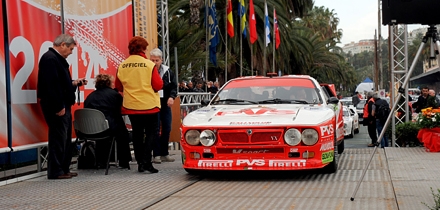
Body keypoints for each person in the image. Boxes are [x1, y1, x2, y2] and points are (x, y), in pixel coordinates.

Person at [37, 34, 87, 179]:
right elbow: (52, 86)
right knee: (58, 138)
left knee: (64, 138)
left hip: (62, 102)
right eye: (70, 49)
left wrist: (74, 83)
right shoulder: (50, 59)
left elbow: (60, 83)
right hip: (57, 105)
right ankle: (56, 171)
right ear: (63, 45)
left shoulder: (55, 59)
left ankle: (63, 168)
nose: (71, 52)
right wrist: (58, 106)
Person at [115, 36, 162, 173]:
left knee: (137, 134)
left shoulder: (122, 65)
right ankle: (147, 162)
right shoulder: (149, 65)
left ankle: (141, 162)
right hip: (150, 105)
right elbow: (158, 85)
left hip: (131, 106)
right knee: (152, 133)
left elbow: (118, 86)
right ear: (143, 49)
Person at [84, 74, 132, 169]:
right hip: (107, 129)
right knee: (121, 130)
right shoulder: (114, 95)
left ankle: (101, 161)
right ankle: (124, 161)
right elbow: (122, 110)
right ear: (109, 83)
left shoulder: (89, 97)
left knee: (106, 125)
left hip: (88, 130)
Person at [150, 48, 178, 164]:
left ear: (161, 60)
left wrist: (172, 97)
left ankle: (164, 153)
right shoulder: (147, 70)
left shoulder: (168, 72)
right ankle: (156, 154)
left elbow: (173, 86)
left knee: (167, 127)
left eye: (157, 60)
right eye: (152, 60)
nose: (155, 63)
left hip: (165, 103)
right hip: (152, 103)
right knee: (155, 129)